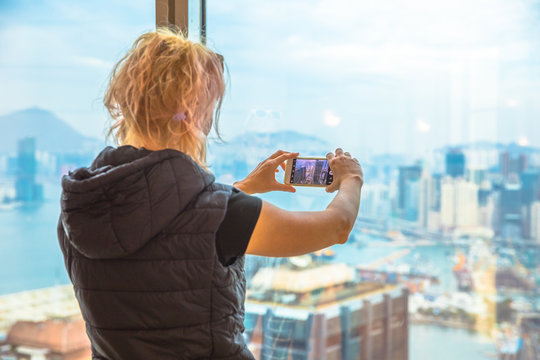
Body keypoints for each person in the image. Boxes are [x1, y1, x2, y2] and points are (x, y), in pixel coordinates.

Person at [57, 28, 363, 360]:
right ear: (194, 115)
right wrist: (352, 178)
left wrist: (242, 189)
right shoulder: (226, 215)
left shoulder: (80, 212)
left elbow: (167, 224)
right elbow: (336, 226)